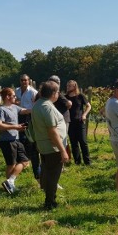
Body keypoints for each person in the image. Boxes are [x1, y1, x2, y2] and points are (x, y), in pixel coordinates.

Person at [32, 81, 69, 209]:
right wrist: (63, 150)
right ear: (53, 93)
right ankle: (50, 202)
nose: (59, 94)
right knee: (53, 175)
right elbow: (52, 131)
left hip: (44, 145)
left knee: (47, 172)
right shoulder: (47, 107)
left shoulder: (38, 104)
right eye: (58, 92)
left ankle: (49, 198)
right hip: (52, 147)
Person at [0, 87, 31, 194]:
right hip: (7, 141)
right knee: (11, 164)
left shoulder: (14, 107)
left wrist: (38, 108)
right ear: (7, 97)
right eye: (14, 95)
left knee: (25, 162)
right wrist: (15, 127)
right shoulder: (1, 110)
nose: (15, 97)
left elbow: (25, 110)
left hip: (16, 140)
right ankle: (9, 187)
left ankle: (10, 181)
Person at [15, 74, 40, 180]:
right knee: (20, 138)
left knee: (29, 138)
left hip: (29, 116)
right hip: (19, 115)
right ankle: (24, 159)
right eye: (22, 80)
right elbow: (15, 101)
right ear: (20, 81)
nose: (24, 82)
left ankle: (29, 158)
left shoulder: (33, 92)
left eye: (26, 80)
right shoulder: (17, 90)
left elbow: (35, 105)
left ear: (29, 81)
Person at [66, 80, 92, 165]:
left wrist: (84, 114)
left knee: (83, 142)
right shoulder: (65, 97)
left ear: (74, 86)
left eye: (70, 86)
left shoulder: (80, 96)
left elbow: (88, 106)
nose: (68, 87)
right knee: (74, 143)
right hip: (70, 123)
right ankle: (77, 162)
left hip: (80, 122)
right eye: (68, 85)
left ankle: (88, 162)